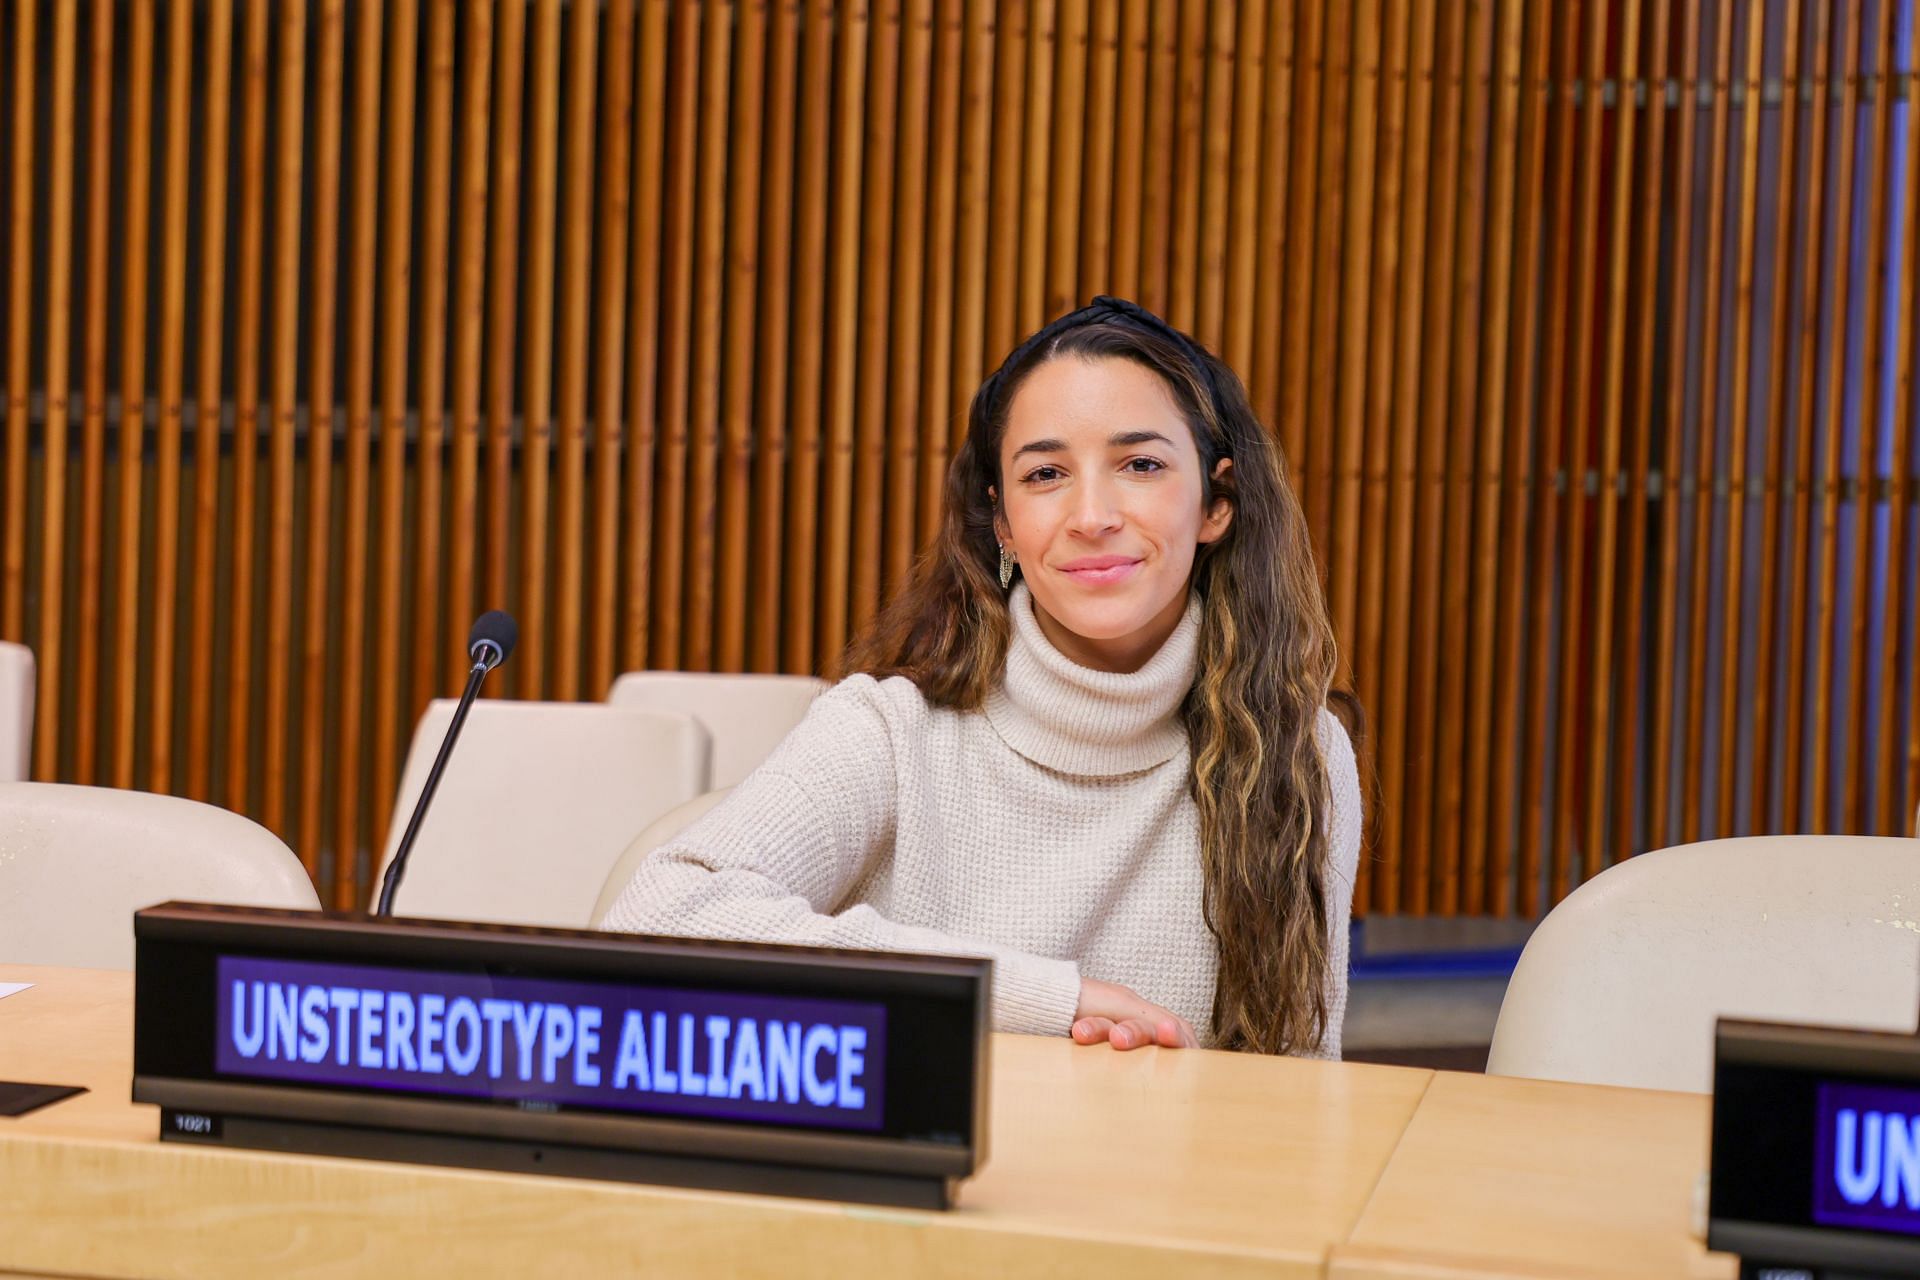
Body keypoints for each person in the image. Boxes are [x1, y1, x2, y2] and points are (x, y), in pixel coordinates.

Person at [605, 297, 1362, 1058]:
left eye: (1141, 465)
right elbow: (657, 917)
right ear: (1002, 523)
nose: (1092, 514)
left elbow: (1302, 1072)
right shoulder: (891, 729)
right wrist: (1039, 999)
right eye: (1045, 473)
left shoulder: (1300, 753)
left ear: (1216, 502)